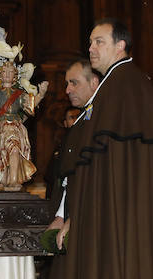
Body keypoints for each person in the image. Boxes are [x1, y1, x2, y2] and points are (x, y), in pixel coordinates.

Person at [49, 19, 153, 278]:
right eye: (90, 43)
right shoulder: (116, 83)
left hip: (119, 208)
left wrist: (81, 215)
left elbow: (110, 162)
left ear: (120, 45)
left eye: (99, 42)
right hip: (115, 205)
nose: (91, 48)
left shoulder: (121, 84)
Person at [0, 61, 49, 191]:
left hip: (15, 127)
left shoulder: (19, 94)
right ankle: (3, 180)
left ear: (15, 76)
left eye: (10, 72)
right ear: (0, 75)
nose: (7, 75)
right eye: (4, 72)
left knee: (15, 149)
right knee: (0, 154)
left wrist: (41, 95)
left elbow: (30, 105)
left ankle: (14, 180)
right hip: (0, 129)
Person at [46, 59, 100, 210]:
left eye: (74, 83)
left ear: (93, 82)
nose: (67, 90)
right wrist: (61, 214)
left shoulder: (101, 118)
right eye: (67, 84)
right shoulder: (84, 118)